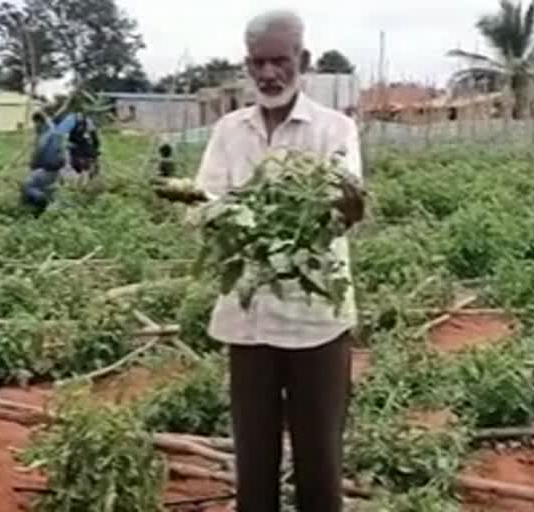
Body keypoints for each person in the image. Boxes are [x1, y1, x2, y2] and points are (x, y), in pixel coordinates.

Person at [191, 9, 364, 512]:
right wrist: (222, 218)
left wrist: (342, 209)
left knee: (320, 464)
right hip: (247, 325)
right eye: (259, 63)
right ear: (247, 66)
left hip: (318, 324)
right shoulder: (228, 131)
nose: (269, 74)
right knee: (253, 465)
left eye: (280, 61)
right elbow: (207, 205)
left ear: (302, 61)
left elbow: (340, 206)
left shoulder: (334, 130)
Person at [20, 112, 76, 215]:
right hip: (55, 168)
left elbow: (40, 151)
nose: (34, 126)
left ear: (39, 122)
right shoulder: (55, 131)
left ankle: (43, 203)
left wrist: (33, 164)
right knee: (45, 187)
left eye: (35, 123)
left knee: (27, 186)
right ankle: (48, 208)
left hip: (48, 167)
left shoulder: (46, 134)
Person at [68, 113, 101, 178]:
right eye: (78, 116)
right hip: (74, 144)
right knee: (75, 163)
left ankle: (92, 171)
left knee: (92, 155)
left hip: (83, 143)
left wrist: (95, 145)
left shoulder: (87, 121)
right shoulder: (70, 122)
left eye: (81, 116)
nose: (79, 117)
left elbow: (94, 135)